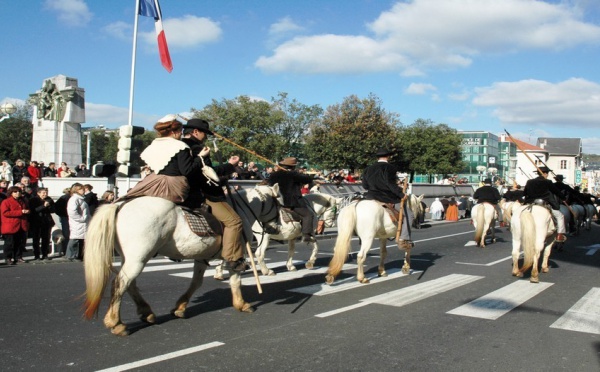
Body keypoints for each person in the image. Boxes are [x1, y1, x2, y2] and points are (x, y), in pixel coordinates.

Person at [181, 118, 246, 272]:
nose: (206, 137)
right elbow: (210, 174)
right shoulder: (197, 149)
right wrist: (230, 166)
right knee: (235, 222)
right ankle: (231, 258)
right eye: (205, 134)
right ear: (196, 132)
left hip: (178, 191)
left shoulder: (177, 146)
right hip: (202, 194)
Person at [123, 115, 205, 204]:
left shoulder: (154, 145)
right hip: (172, 186)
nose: (181, 133)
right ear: (174, 132)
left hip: (152, 182)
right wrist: (200, 157)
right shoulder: (180, 146)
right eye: (180, 131)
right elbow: (186, 170)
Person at [361, 148, 414, 249]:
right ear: (388, 157)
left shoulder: (368, 168)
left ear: (378, 157)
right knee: (409, 215)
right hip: (387, 197)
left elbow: (365, 185)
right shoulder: (390, 168)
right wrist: (401, 194)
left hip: (371, 196)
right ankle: (404, 238)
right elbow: (390, 184)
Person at [268, 157, 318, 243]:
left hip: (276, 201)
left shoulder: (273, 175)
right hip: (291, 202)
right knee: (308, 215)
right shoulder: (293, 174)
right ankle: (306, 235)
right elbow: (307, 179)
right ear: (293, 166)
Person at [523, 166, 567, 242]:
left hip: (531, 202)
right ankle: (560, 235)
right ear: (545, 174)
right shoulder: (548, 182)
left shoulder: (529, 181)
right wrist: (563, 197)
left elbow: (525, 193)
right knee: (560, 216)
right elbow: (556, 192)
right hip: (544, 203)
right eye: (547, 173)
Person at [1, 186, 30, 265]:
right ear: (11, 193)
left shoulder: (23, 201)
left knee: (19, 243)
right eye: (15, 192)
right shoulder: (6, 202)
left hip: (21, 225)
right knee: (9, 243)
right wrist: (20, 212)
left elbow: (27, 209)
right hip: (10, 225)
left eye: (19, 192)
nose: (18, 193)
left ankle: (18, 257)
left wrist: (27, 211)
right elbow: (5, 213)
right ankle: (8, 258)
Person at [64, 183, 90, 261]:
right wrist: (81, 219)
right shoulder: (74, 199)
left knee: (81, 239)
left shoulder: (81, 199)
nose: (83, 190)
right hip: (78, 223)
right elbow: (72, 212)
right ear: (76, 190)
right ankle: (71, 255)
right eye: (81, 189)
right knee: (75, 239)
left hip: (83, 223)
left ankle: (79, 255)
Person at [28, 187, 55, 260]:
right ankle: (37, 255)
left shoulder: (49, 199)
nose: (45, 194)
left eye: (46, 192)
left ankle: (45, 254)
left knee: (46, 239)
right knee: (36, 239)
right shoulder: (34, 200)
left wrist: (49, 206)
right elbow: (34, 210)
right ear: (38, 193)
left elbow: (53, 210)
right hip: (36, 221)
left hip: (46, 221)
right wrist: (43, 206)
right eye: (43, 193)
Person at [54, 187, 72, 255]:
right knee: (67, 235)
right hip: (66, 217)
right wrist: (63, 214)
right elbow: (56, 208)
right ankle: (66, 250)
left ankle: (66, 250)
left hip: (65, 217)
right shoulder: (65, 198)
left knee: (67, 234)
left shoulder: (65, 198)